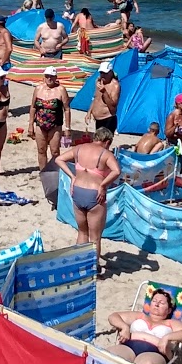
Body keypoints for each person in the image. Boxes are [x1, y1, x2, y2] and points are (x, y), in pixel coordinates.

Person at [55, 129, 120, 266]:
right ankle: (92, 268)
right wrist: (103, 185)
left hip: (77, 191)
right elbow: (116, 171)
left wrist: (72, 176)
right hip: (94, 194)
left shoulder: (79, 148)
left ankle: (79, 264)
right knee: (95, 237)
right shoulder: (105, 154)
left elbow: (59, 159)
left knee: (82, 232)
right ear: (107, 141)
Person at [108, 288, 182, 364]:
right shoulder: (140, 316)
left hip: (155, 353)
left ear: (169, 310)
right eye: (154, 301)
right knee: (110, 355)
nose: (157, 304)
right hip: (128, 347)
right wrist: (124, 327)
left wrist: (167, 338)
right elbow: (113, 316)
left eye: (162, 303)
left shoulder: (171, 323)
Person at [31, 67, 70, 170]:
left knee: (55, 151)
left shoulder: (61, 90)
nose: (49, 79)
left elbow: (66, 109)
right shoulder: (38, 89)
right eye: (47, 76)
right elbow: (33, 107)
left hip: (55, 125)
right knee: (41, 149)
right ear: (44, 77)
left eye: (52, 76)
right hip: (40, 124)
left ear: (56, 77)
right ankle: (43, 171)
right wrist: (30, 124)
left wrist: (67, 127)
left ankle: (56, 171)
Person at [88, 60, 120, 133]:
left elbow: (113, 106)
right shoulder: (99, 81)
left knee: (103, 143)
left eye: (105, 73)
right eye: (101, 73)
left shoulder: (115, 86)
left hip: (108, 119)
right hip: (98, 120)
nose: (102, 75)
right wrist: (89, 112)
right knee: (97, 142)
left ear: (110, 72)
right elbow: (95, 97)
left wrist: (104, 92)